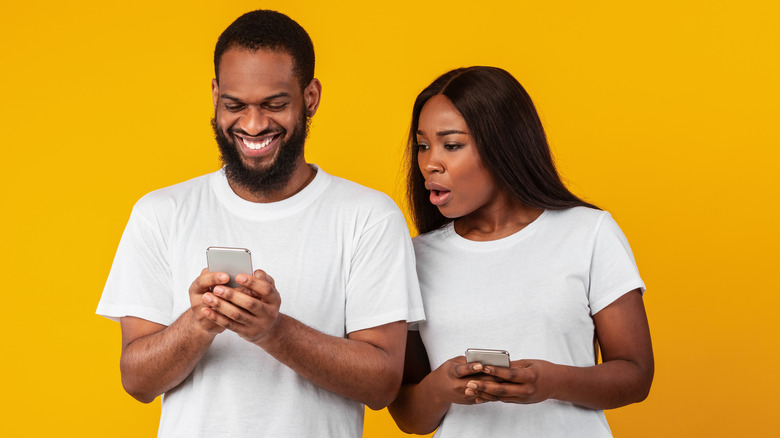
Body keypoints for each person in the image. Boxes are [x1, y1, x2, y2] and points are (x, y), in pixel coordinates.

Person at [96, 10, 424, 438]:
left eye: (274, 104)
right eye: (235, 105)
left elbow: (383, 385)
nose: (253, 125)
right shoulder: (161, 213)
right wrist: (198, 322)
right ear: (215, 95)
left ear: (310, 97)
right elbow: (137, 381)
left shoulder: (368, 217)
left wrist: (273, 330)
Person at [387, 66, 653, 437]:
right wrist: (439, 388)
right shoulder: (414, 258)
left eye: (451, 144)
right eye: (422, 145)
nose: (430, 162)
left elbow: (636, 375)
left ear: (502, 146)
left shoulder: (588, 232)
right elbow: (410, 417)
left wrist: (551, 381)